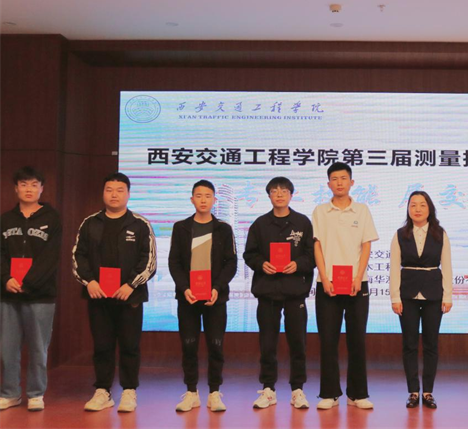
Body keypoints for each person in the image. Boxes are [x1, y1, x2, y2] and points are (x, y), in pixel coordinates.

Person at [72, 172, 157, 413]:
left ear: (128, 194)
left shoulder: (140, 224)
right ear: (103, 193)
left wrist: (131, 284)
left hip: (130, 297)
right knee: (102, 345)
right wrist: (89, 282)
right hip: (98, 296)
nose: (114, 195)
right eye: (109, 190)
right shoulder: (90, 223)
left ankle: (129, 391)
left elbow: (149, 261)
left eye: (120, 190)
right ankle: (103, 391)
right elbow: (78, 257)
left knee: (130, 345)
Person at [244, 176, 315, 410]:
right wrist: (261, 264)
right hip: (267, 291)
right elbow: (249, 254)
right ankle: (268, 389)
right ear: (269, 196)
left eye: (284, 190)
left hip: (295, 291)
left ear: (291, 195)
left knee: (298, 343)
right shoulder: (260, 224)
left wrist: (298, 264)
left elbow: (312, 256)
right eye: (274, 191)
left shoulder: (302, 223)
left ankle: (297, 390)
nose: (279, 194)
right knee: (267, 343)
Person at [312, 162, 379, 410]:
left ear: (352, 182)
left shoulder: (362, 210)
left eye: (343, 178)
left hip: (356, 285)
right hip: (327, 285)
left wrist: (358, 277)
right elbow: (317, 245)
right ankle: (329, 393)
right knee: (328, 340)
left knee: (357, 340)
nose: (339, 183)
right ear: (328, 184)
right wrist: (324, 277)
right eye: (334, 179)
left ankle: (357, 394)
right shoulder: (320, 211)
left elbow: (366, 245)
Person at [168, 180, 237, 412]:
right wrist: (184, 287)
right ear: (192, 200)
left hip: (215, 298)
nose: (203, 200)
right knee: (189, 345)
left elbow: (231, 263)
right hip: (187, 297)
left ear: (215, 200)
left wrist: (217, 287)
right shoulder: (181, 228)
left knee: (216, 346)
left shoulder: (224, 229)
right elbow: (174, 262)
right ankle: (191, 392)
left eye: (208, 196)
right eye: (199, 195)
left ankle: (214, 392)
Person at [0, 167, 62, 412]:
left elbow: (50, 258)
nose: (29, 189)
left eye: (34, 184)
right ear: (16, 188)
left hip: (40, 296)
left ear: (41, 188)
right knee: (8, 348)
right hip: (8, 294)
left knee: (38, 348)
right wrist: (6, 279)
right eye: (24, 184)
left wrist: (27, 283)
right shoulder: (5, 220)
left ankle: (36, 394)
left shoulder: (52, 218)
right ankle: (10, 393)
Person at [389, 191, 453, 409]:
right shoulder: (400, 234)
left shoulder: (440, 233)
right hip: (407, 295)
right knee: (409, 343)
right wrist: (395, 297)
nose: (417, 209)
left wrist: (448, 295)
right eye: (413, 205)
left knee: (431, 343)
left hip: (433, 294)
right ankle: (413, 391)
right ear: (408, 209)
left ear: (429, 208)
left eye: (422, 205)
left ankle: (428, 391)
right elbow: (394, 268)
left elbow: (447, 265)